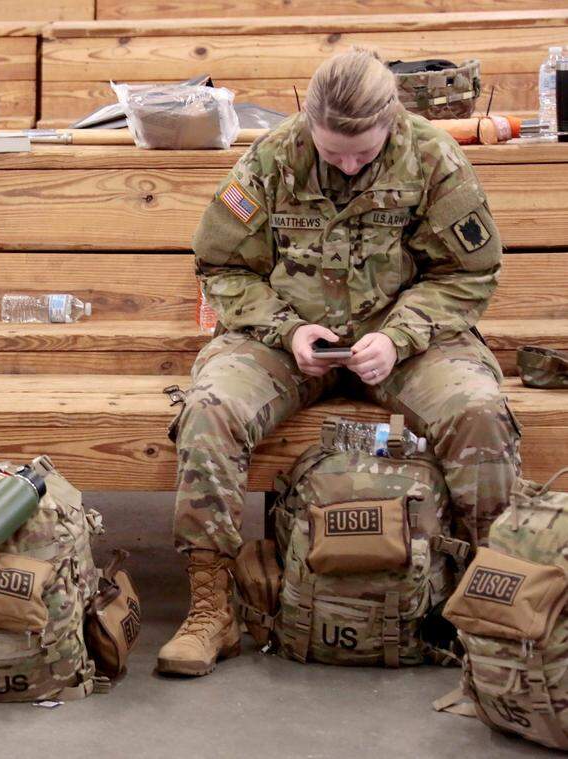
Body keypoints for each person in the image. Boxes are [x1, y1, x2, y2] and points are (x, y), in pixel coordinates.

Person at [156, 49, 521, 677]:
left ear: (392, 120)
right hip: (286, 341)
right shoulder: (271, 160)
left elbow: (470, 273)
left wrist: (400, 336)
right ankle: (212, 606)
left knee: (479, 412)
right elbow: (221, 266)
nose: (349, 166)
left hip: (406, 341)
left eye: (363, 154)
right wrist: (289, 329)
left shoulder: (433, 158)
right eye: (333, 154)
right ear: (309, 123)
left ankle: (488, 604)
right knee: (210, 409)